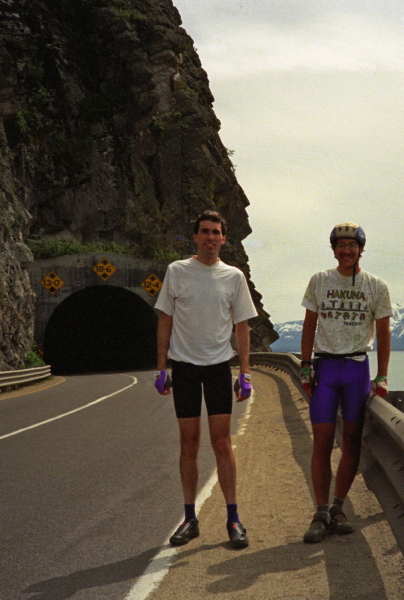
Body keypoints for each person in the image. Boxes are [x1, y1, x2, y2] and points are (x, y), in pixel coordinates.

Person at [154, 210, 257, 550]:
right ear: (195, 236)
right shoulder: (177, 271)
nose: (210, 237)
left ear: (224, 238)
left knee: (222, 443)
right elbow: (165, 320)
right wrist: (161, 367)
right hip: (184, 368)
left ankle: (233, 519)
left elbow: (242, 326)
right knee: (189, 444)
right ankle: (190, 519)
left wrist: (245, 372)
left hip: (217, 368)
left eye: (216, 232)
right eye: (205, 231)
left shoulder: (233, 277)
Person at [299, 222, 392, 543]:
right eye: (341, 246)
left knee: (351, 441)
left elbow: (384, 333)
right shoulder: (319, 280)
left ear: (361, 249)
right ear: (334, 249)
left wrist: (382, 375)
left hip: (356, 368)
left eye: (352, 246)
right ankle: (320, 511)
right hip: (325, 368)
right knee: (322, 441)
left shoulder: (376, 286)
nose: (346, 250)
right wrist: (305, 366)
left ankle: (338, 507)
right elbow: (309, 325)